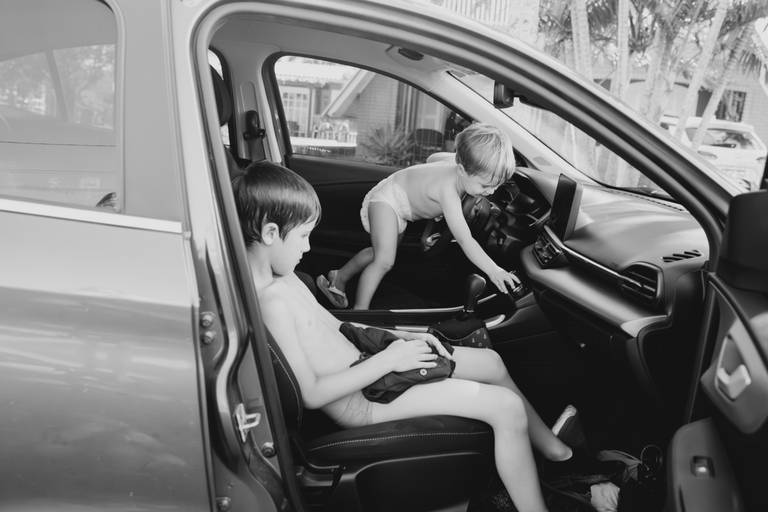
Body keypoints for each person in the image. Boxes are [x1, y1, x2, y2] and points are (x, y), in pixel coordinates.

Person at [234, 160, 579, 512]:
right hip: (366, 400)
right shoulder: (271, 303)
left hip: (372, 363)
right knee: (506, 408)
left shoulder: (285, 278)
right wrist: (392, 359)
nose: (308, 248)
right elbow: (311, 394)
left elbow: (337, 325)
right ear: (271, 233)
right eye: (303, 236)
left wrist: (405, 337)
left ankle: (553, 451)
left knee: (491, 362)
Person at [316, 122, 521, 309]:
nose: (491, 192)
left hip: (398, 202)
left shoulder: (455, 164)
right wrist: (494, 270)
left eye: (497, 186)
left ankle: (339, 277)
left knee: (377, 252)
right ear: (461, 170)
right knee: (384, 261)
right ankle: (360, 312)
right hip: (387, 201)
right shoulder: (448, 193)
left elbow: (433, 158)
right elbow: (465, 240)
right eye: (485, 186)